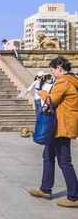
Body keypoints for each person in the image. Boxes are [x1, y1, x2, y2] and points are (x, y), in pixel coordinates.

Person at [28, 56, 78, 208]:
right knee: (48, 156)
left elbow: (51, 100)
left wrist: (39, 90)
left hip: (62, 126)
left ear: (59, 68)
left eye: (53, 70)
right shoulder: (72, 80)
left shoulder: (64, 81)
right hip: (58, 125)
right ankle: (45, 189)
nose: (53, 73)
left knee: (64, 161)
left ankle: (74, 197)